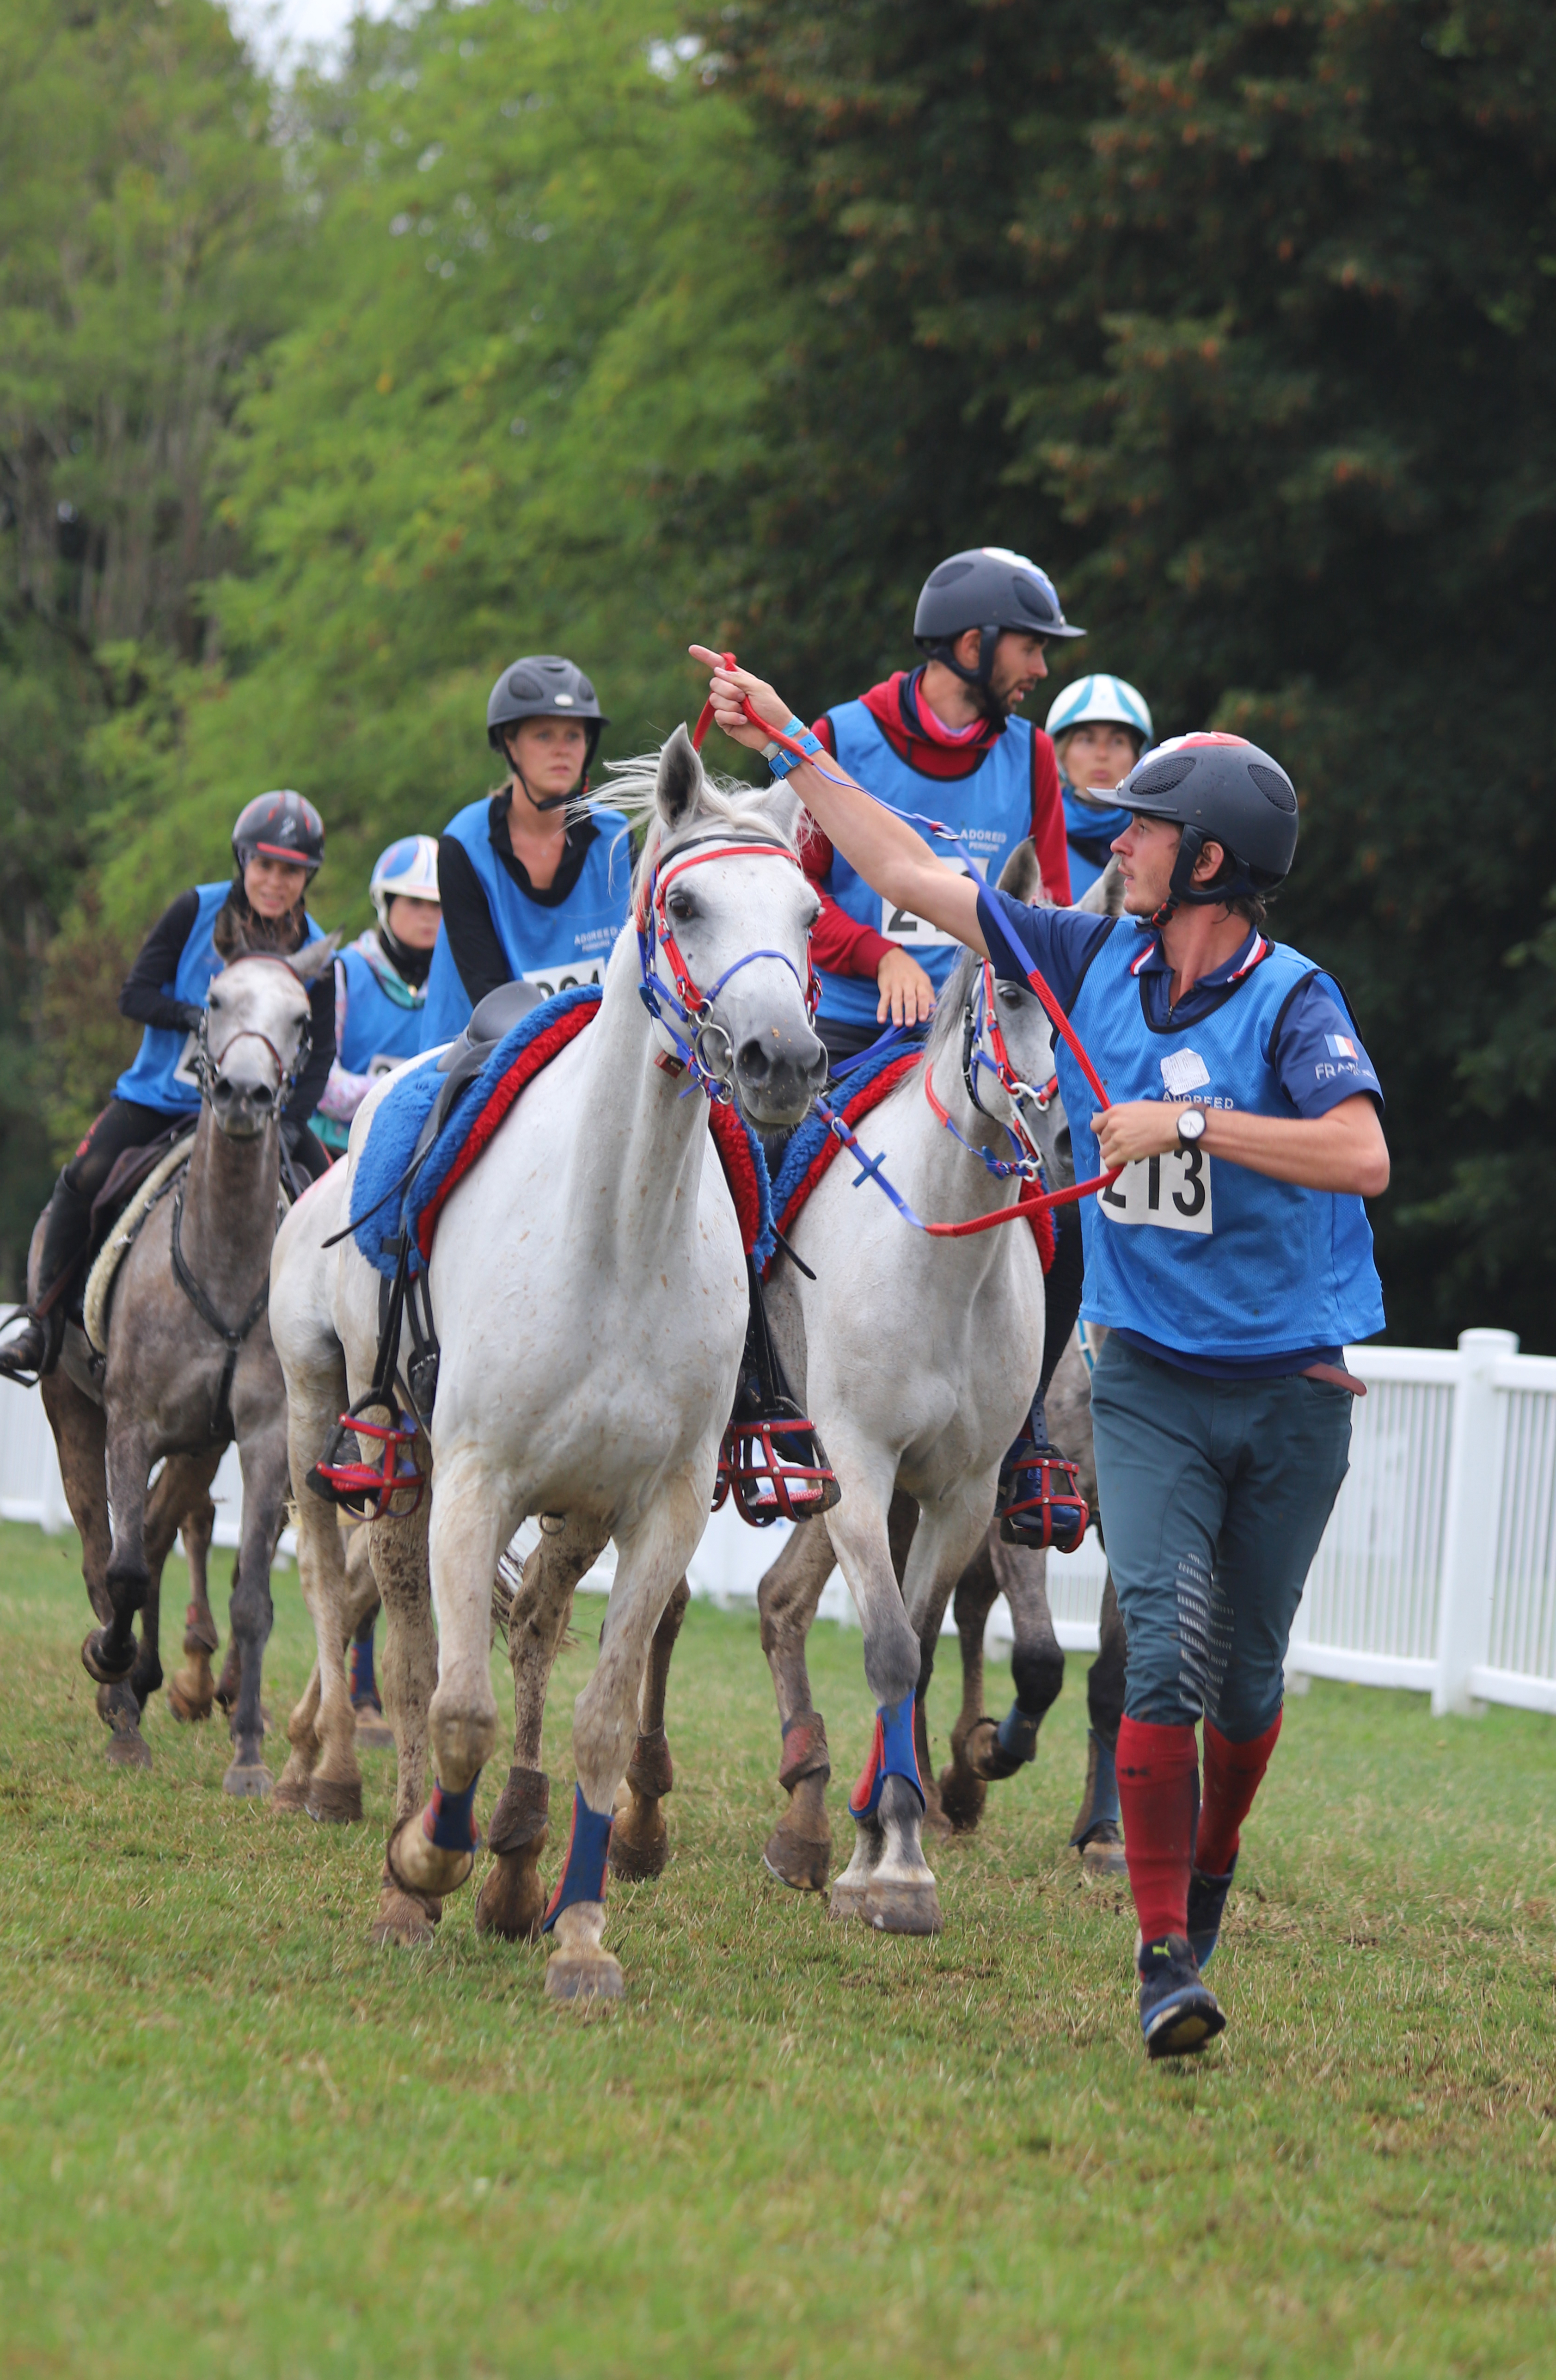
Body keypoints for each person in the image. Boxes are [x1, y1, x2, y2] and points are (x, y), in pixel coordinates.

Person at [695, 652, 1390, 2062]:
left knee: (1245, 1694)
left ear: (1208, 861)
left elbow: (1362, 1153)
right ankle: (1159, 1958)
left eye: (1137, 828)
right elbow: (904, 862)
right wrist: (790, 742)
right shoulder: (1083, 951)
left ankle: (1212, 1863)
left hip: (1294, 1382)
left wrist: (1190, 1127)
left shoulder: (1296, 999)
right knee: (1166, 1665)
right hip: (1142, 1375)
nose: (1111, 840)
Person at [0, 791, 336, 1383]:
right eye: (265, 864)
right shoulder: (195, 910)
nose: (276, 881)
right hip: (164, 1099)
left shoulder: (314, 952)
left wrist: (289, 1121)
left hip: (256, 1114)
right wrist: (197, 1018)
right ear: (243, 860)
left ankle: (332, 1357)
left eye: (291, 870)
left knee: (334, 1202)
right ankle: (42, 1322)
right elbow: (134, 993)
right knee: (81, 1179)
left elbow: (322, 1049)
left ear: (307, 876)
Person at [803, 546, 1082, 1066]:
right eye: (1032, 648)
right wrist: (880, 956)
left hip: (983, 1034)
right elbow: (796, 889)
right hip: (853, 1024)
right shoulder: (840, 738)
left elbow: (1051, 908)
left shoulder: (1034, 754)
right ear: (975, 646)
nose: (1042, 669)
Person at [420, 655, 630, 1048]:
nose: (562, 750)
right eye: (544, 736)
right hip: (474, 1048)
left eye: (574, 735)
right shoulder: (463, 844)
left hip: (597, 1048)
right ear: (509, 745)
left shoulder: (617, 837)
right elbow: (489, 993)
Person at [313, 835, 441, 1156]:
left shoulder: (456, 979)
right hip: (339, 1150)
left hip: (424, 1149)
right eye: (414, 902)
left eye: (438, 905)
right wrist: (410, 1089)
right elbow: (322, 1083)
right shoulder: (341, 971)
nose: (428, 916)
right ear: (385, 903)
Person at [1044, 674, 1155, 900]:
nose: (1102, 754)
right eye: (1086, 740)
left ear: (1138, 756)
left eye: (1117, 742)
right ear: (1061, 755)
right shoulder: (1037, 831)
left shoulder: (1160, 839)